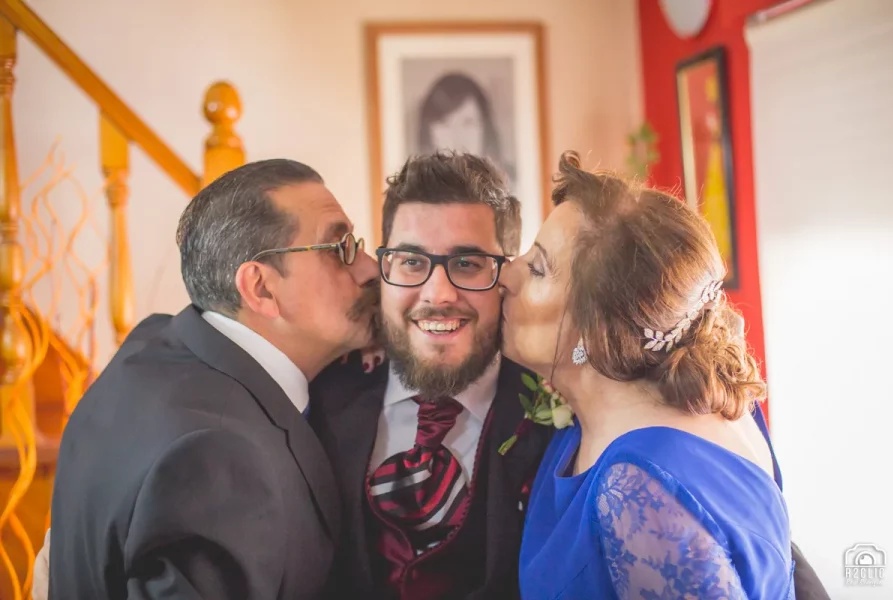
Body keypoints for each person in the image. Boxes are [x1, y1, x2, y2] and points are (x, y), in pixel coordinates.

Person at [44, 159, 380, 599]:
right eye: (339, 249)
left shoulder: (154, 346)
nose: (369, 267)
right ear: (260, 289)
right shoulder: (219, 456)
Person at [500, 151, 820, 598]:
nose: (506, 274)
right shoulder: (710, 394)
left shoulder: (641, 498)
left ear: (597, 333)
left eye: (536, 268)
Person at [310, 150, 552, 600]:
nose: (439, 294)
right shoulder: (320, 394)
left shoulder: (558, 413)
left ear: (507, 276)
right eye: (411, 261)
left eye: (467, 264)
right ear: (383, 271)